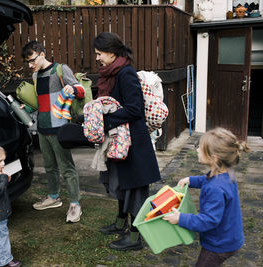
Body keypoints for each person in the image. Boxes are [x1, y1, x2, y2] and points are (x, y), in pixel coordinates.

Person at [92, 32, 161, 251]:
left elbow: (135, 109)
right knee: (123, 186)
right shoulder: (111, 74)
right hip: (120, 140)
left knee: (136, 191)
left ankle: (134, 238)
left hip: (134, 144)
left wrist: (105, 120)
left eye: (99, 53)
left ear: (111, 53)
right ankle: (120, 223)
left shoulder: (126, 74)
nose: (97, 58)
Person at [163, 127, 249, 267]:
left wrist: (180, 218)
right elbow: (206, 179)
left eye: (200, 148)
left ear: (213, 158)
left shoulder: (215, 188)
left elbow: (208, 220)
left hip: (219, 245)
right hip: (230, 235)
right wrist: (191, 180)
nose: (197, 150)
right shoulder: (225, 173)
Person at [21, 41, 85, 223]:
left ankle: (75, 204)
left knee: (67, 168)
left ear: (42, 54)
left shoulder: (60, 69)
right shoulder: (35, 76)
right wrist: (26, 108)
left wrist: (72, 88)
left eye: (32, 60)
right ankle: (53, 197)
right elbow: (38, 103)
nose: (30, 65)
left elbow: (80, 91)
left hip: (60, 128)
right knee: (49, 167)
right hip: (42, 128)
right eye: (28, 62)